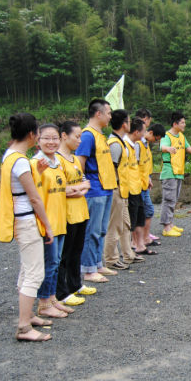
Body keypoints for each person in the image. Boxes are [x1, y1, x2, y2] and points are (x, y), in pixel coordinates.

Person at [0, 113, 54, 341]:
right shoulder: (20, 161)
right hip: (27, 221)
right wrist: (47, 225)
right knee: (34, 273)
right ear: (32, 134)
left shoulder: (10, 155)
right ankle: (23, 326)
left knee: (26, 269)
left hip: (19, 220)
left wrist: (37, 173)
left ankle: (28, 315)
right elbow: (34, 198)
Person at [32, 123, 72, 320]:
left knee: (56, 262)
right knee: (49, 263)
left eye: (54, 138)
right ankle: (44, 303)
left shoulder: (58, 162)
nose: (51, 142)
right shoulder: (36, 164)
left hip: (60, 220)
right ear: (37, 140)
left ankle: (52, 297)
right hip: (46, 222)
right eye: (46, 138)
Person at [77, 99, 117, 284]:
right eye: (108, 113)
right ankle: (88, 269)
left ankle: (98, 264)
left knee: (101, 230)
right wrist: (83, 184)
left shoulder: (100, 135)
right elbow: (80, 162)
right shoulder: (87, 135)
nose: (110, 116)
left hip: (106, 188)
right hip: (94, 189)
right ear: (98, 114)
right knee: (92, 230)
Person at [56, 121, 93, 306]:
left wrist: (78, 189)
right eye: (77, 136)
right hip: (67, 213)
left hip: (81, 211)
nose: (80, 140)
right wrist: (78, 189)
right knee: (65, 253)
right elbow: (61, 189)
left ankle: (75, 284)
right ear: (64, 136)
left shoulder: (75, 159)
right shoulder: (57, 161)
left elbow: (86, 184)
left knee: (76, 251)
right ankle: (61, 292)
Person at [160, 111, 191, 237]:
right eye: (182, 122)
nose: (184, 125)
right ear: (175, 124)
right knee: (168, 199)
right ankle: (166, 227)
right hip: (169, 172)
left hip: (179, 172)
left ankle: (170, 224)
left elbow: (190, 149)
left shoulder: (181, 137)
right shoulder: (166, 136)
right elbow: (162, 147)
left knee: (174, 199)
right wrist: (168, 149)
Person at [103, 109, 135, 270]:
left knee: (125, 224)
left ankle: (128, 254)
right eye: (129, 121)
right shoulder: (115, 144)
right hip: (116, 189)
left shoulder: (120, 142)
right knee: (114, 226)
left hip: (122, 190)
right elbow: (111, 169)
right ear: (124, 124)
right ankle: (111, 258)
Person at [135, 109, 161, 247]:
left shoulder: (145, 144)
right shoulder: (138, 144)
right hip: (138, 184)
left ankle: (144, 238)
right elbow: (135, 165)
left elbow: (144, 165)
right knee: (144, 211)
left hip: (144, 182)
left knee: (146, 211)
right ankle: (140, 240)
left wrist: (148, 178)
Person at [125, 118, 150, 256]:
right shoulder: (124, 146)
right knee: (131, 220)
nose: (145, 135)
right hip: (129, 189)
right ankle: (130, 247)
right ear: (136, 132)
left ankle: (140, 246)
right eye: (143, 132)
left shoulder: (134, 145)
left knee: (140, 217)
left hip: (138, 187)